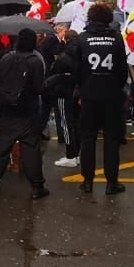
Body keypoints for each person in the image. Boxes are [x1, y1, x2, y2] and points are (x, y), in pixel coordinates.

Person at [0, 28, 49, 199]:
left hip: (7, 109)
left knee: (1, 147)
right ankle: (36, 186)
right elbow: (38, 88)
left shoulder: (6, 58)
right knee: (31, 148)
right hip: (28, 110)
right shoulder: (35, 61)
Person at [74, 2, 129, 194]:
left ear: (90, 18)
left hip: (89, 97)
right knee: (111, 140)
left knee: (87, 139)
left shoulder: (82, 39)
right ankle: (111, 182)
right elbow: (123, 70)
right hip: (112, 97)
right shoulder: (116, 39)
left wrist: (82, 90)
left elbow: (77, 69)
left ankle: (87, 181)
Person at [46, 30, 82, 168]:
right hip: (76, 93)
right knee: (76, 123)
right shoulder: (81, 55)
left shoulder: (63, 57)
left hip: (63, 92)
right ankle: (76, 154)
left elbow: (54, 74)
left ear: (66, 40)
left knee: (67, 124)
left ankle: (70, 155)